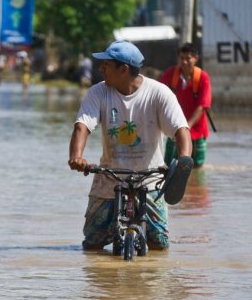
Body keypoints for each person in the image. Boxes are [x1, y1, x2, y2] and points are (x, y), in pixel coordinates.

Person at [68, 40, 192, 251]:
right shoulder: (98, 92)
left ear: (123, 69)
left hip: (150, 178)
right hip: (109, 176)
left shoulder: (159, 93)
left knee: (159, 245)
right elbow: (82, 126)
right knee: (92, 244)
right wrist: (76, 156)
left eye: (106, 65)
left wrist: (184, 160)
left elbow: (181, 130)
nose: (101, 69)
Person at [159, 43, 212, 168]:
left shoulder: (202, 77)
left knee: (198, 166)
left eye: (188, 58)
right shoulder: (170, 74)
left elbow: (202, 106)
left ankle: (196, 187)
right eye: (181, 58)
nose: (184, 62)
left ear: (196, 59)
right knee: (169, 165)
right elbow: (158, 95)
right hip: (175, 127)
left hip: (197, 128)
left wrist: (187, 127)